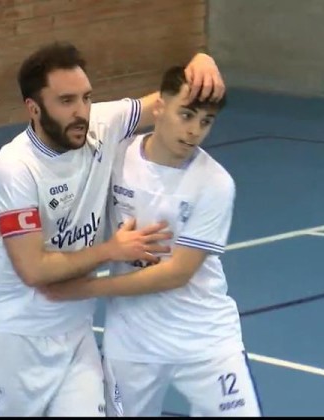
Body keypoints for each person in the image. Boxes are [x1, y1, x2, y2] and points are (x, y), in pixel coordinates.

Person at [0, 42, 226, 417]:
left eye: (86, 98)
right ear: (33, 109)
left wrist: (200, 62)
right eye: (66, 101)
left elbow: (161, 103)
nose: (81, 112)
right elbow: (34, 270)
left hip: (76, 332)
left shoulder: (102, 124)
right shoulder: (15, 167)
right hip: (14, 334)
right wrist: (111, 250)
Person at [39, 65, 262, 417]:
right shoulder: (116, 157)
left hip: (205, 341)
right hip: (132, 344)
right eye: (186, 115)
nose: (193, 131)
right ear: (159, 107)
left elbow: (177, 273)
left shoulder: (215, 183)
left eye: (205, 122)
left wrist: (85, 288)